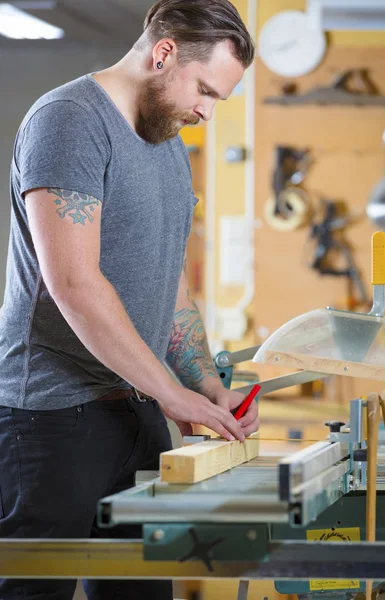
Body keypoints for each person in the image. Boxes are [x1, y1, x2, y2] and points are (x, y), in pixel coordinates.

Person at [0, 0, 258, 597]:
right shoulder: (69, 121)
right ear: (163, 53)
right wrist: (172, 394)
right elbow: (75, 284)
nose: (207, 112)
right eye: (206, 91)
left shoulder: (168, 141)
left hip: (134, 414)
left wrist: (203, 384)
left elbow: (172, 289)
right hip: (51, 419)